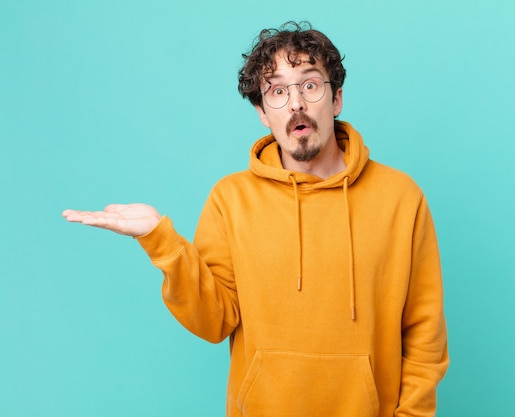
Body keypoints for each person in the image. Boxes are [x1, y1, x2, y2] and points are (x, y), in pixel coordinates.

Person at [63, 21, 449, 417]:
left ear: (336, 100)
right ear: (263, 113)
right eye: (277, 92)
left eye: (310, 85)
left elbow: (424, 333)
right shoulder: (231, 200)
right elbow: (213, 321)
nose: (296, 103)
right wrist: (161, 241)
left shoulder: (401, 198)